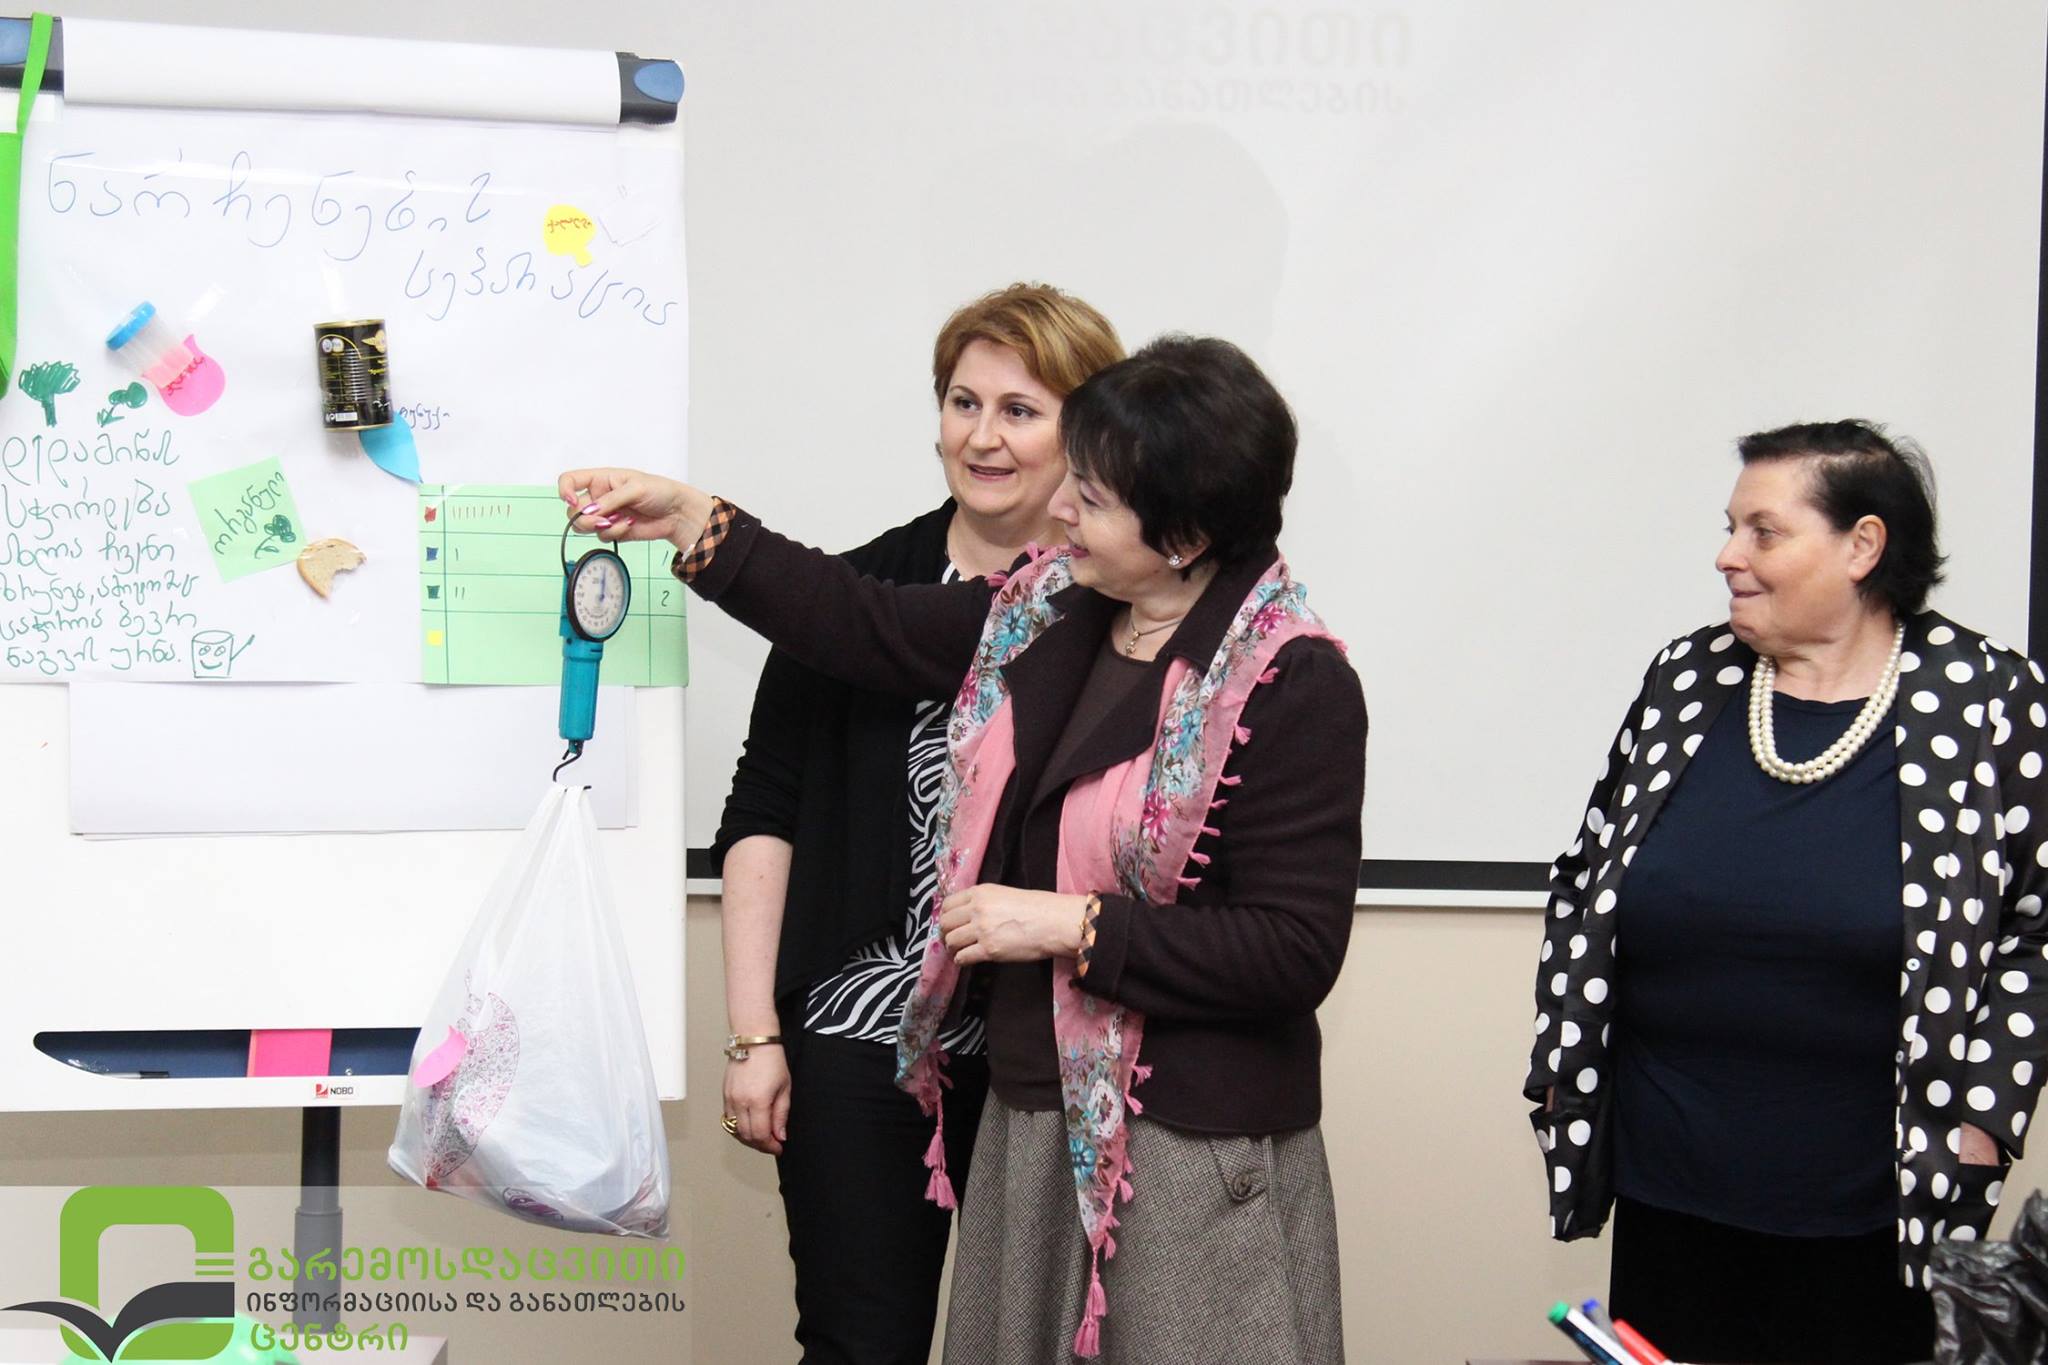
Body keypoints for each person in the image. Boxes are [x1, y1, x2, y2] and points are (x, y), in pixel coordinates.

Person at [560, 335, 1365, 1363]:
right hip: (1036, 1124)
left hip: (1187, 1145)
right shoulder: (1055, 611)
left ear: (1183, 535)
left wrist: (1071, 925)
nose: (1058, 509)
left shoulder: (1290, 681)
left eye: (1091, 497)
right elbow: (861, 620)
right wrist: (690, 519)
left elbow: (1291, 950)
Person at [1525, 419, 2048, 1364]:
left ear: (1862, 545)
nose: (1728, 555)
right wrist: (1564, 1061)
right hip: (1669, 1187)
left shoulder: (1987, 699)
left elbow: (2034, 933)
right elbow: (1588, 873)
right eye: (1731, 528)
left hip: (1877, 1208)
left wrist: (1981, 1122)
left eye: (1763, 531)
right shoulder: (1688, 679)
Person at [710, 282, 1122, 1365]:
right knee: (859, 1346)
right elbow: (763, 810)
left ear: (1086, 434)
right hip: (859, 1040)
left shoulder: (1123, 612)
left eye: (1020, 410)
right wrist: (754, 1035)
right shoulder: (843, 596)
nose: (982, 437)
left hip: (1047, 1053)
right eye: (962, 402)